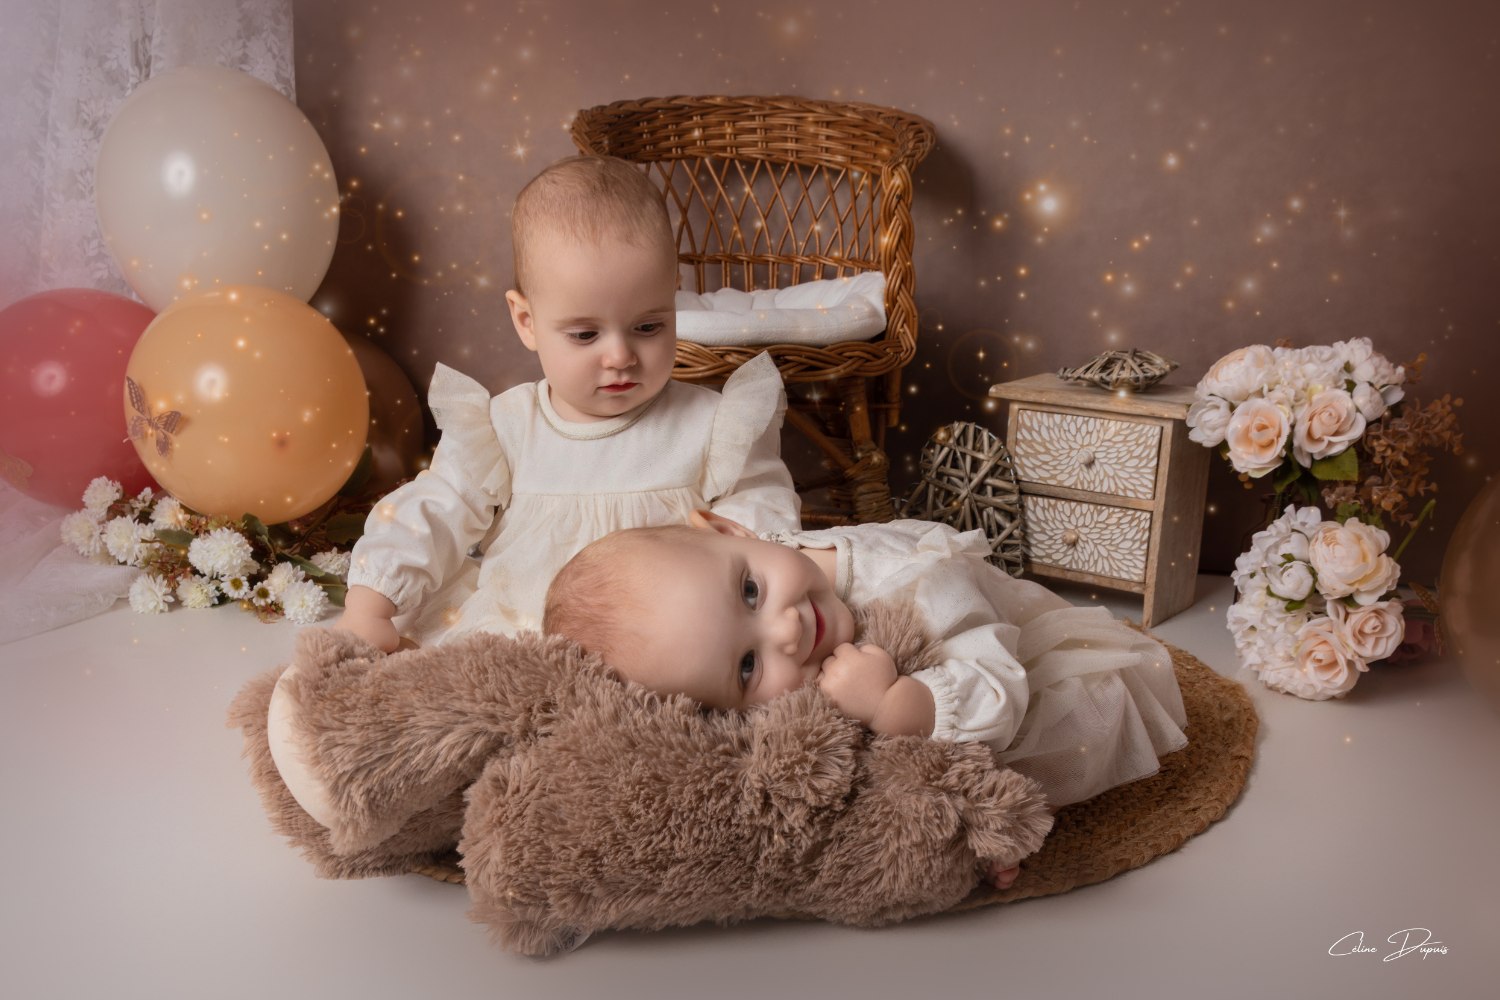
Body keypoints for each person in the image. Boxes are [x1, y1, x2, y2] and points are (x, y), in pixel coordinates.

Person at [334, 156, 801, 652]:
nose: (620, 356)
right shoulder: (506, 429)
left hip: (670, 646)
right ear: (526, 321)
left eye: (649, 327)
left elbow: (759, 508)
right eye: (585, 334)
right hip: (523, 627)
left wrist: (758, 564)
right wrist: (371, 601)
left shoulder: (708, 427)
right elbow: (434, 510)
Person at [543, 510, 1189, 866]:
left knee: (1049, 736)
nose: (788, 629)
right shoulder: (755, 589)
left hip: (1027, 684)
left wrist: (892, 704)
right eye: (747, 667)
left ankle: (987, 830)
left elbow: (1003, 687)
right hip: (933, 688)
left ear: (730, 528)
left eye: (750, 591)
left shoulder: (914, 583)